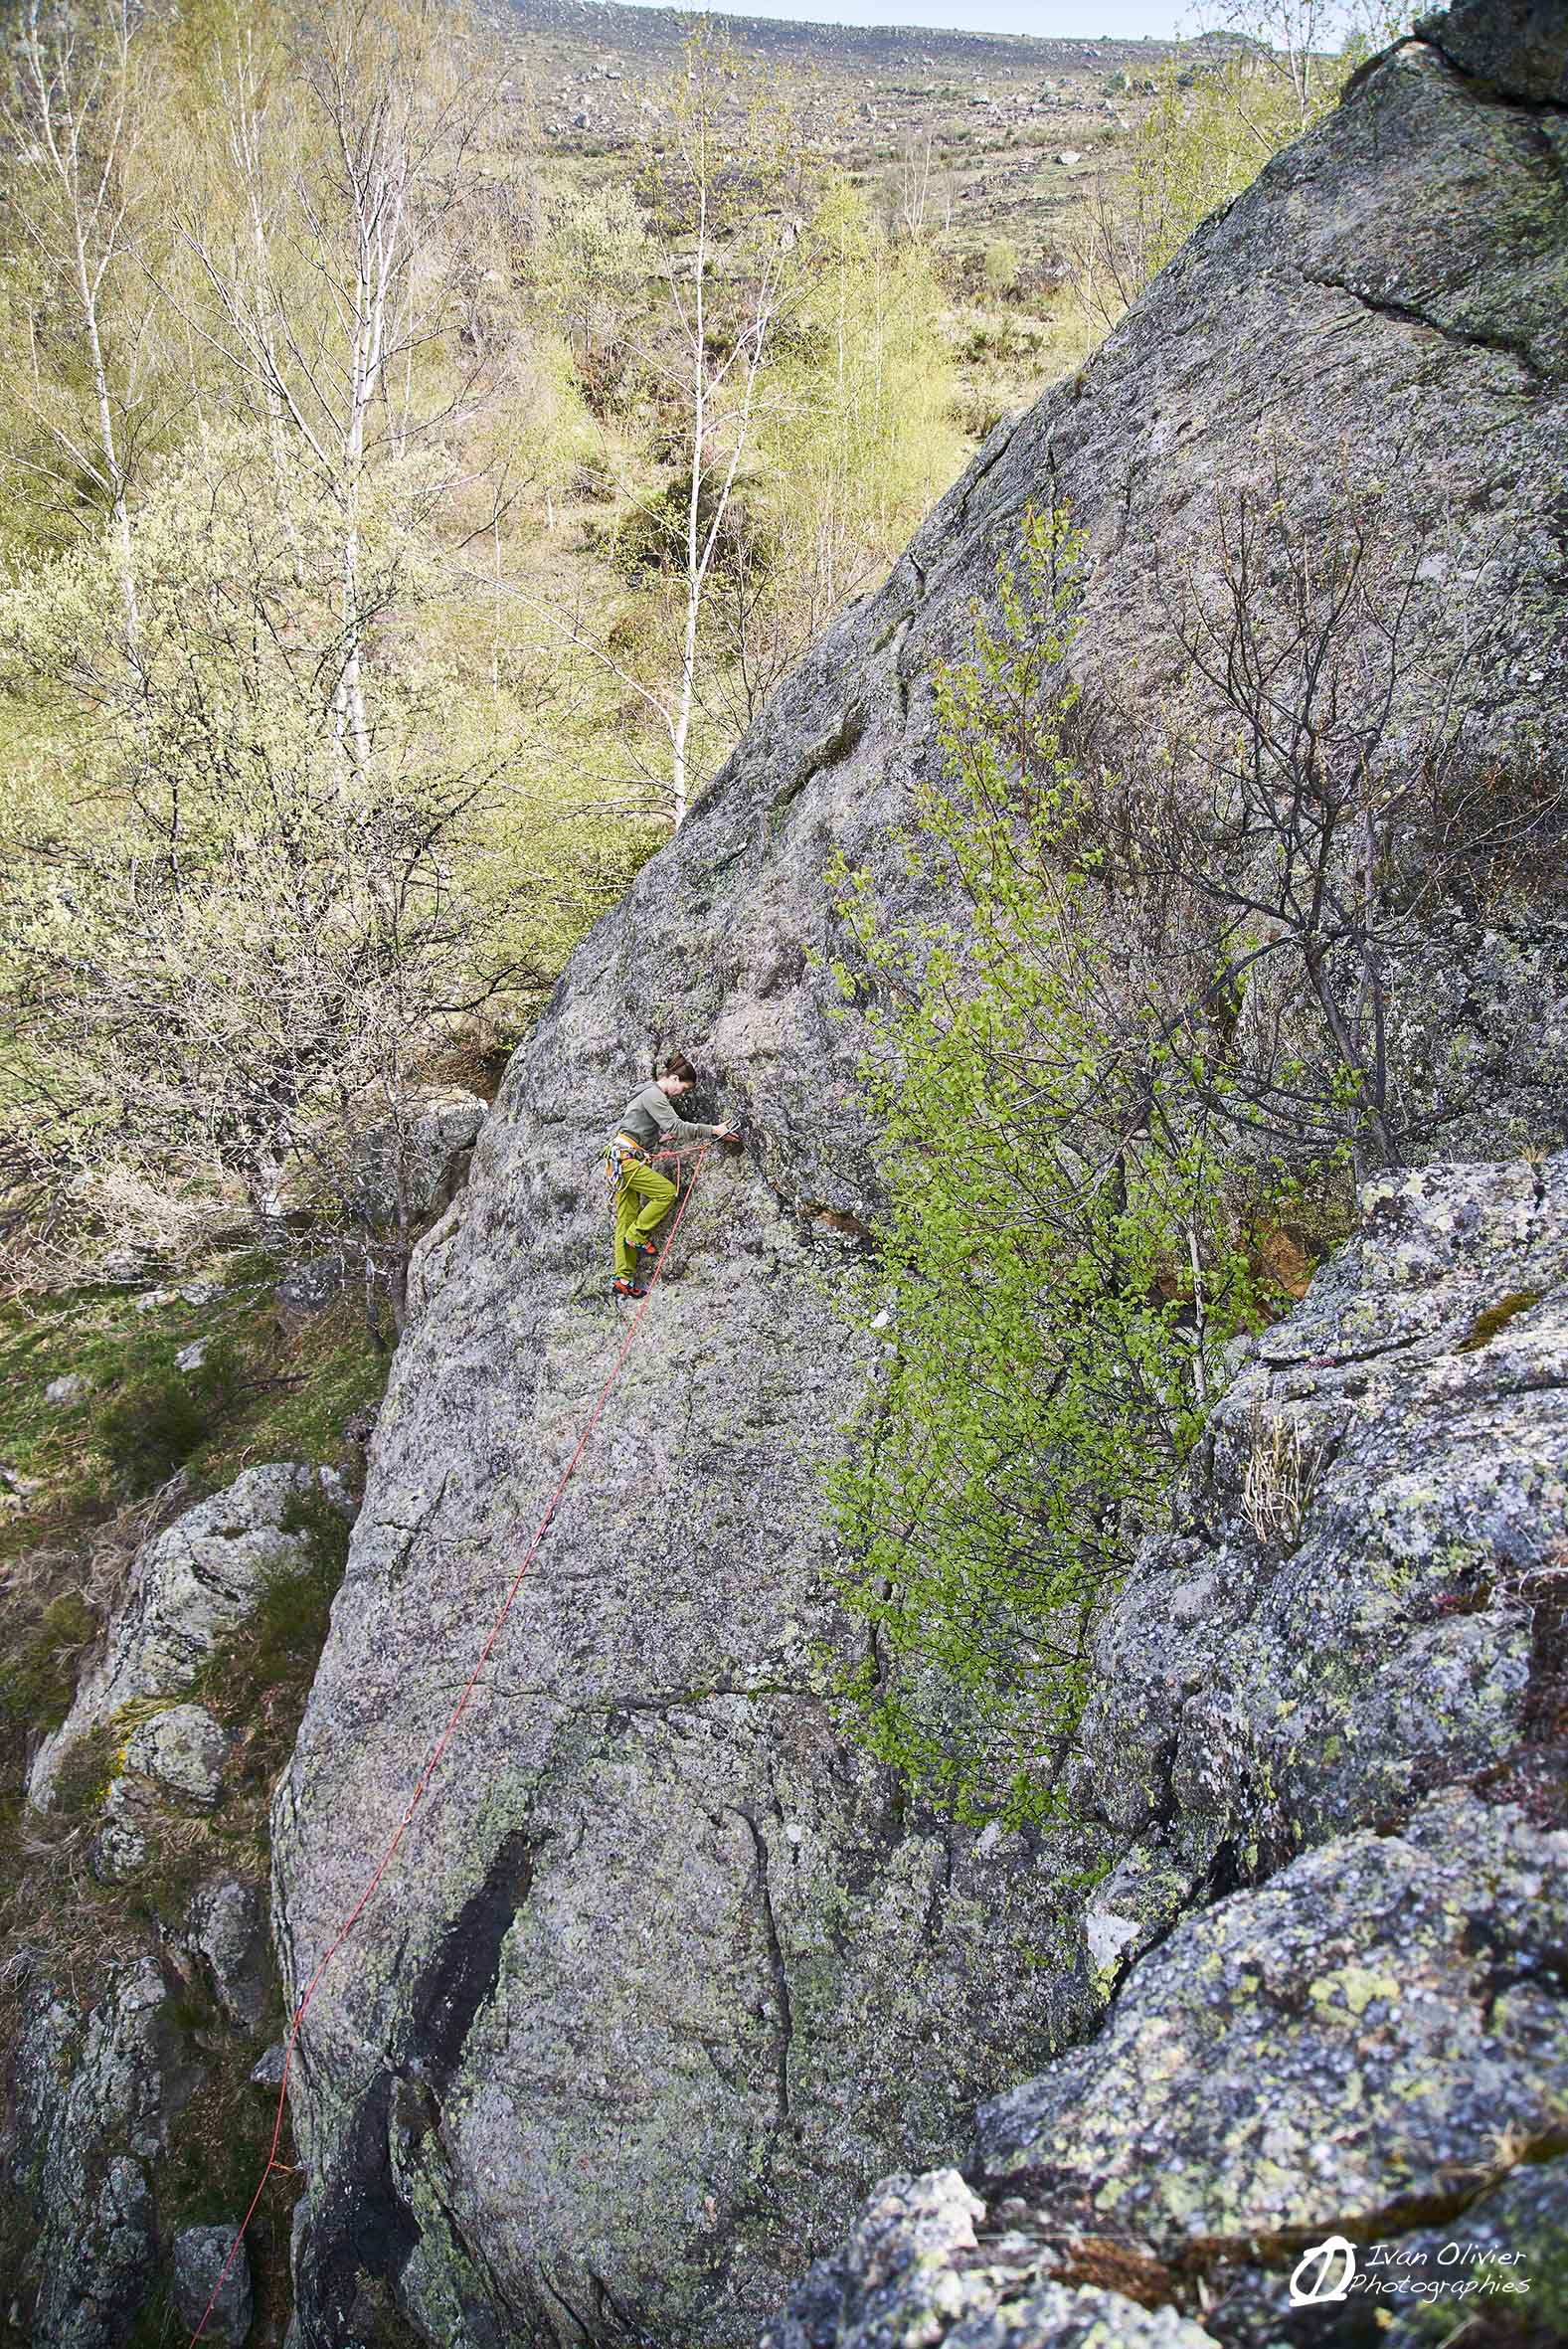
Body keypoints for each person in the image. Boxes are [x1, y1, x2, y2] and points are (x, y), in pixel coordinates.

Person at [607, 1053, 735, 1297]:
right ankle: (638, 1234)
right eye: (683, 1089)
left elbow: (639, 1127)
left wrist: (659, 1138)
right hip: (627, 1160)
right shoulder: (654, 1094)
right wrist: (714, 1130)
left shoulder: (646, 1094)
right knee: (665, 1192)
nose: (681, 1094)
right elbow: (676, 1126)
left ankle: (623, 1278)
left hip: (621, 1159)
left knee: (625, 1219)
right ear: (674, 1078)